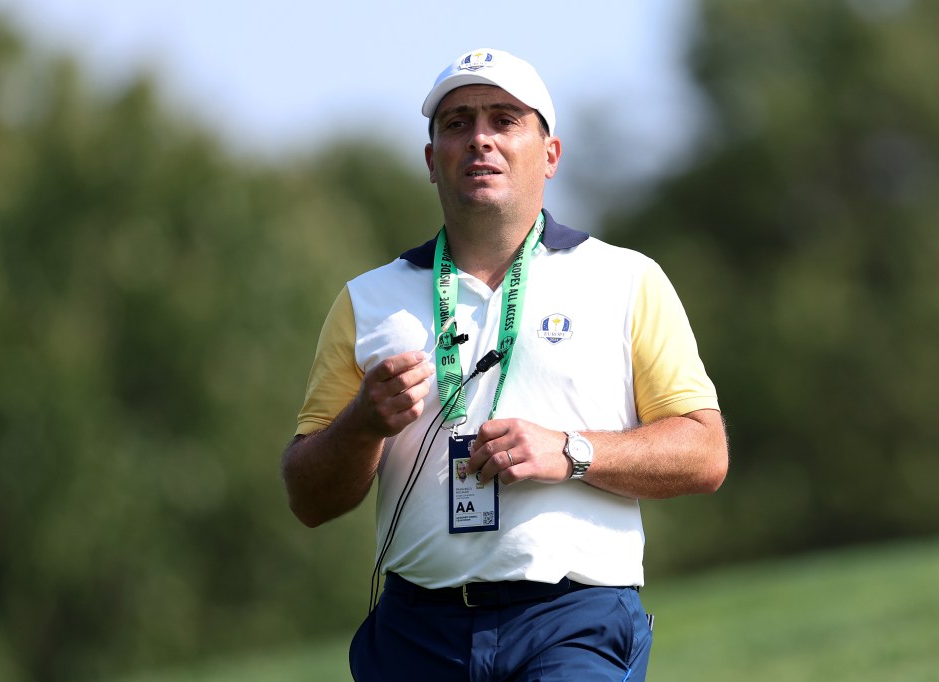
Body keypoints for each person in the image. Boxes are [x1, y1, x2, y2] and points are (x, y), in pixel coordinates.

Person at [282, 47, 728, 681]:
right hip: (417, 630)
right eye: (457, 123)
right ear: (432, 159)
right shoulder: (367, 300)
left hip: (573, 617)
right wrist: (362, 423)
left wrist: (571, 452)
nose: (479, 139)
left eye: (504, 119)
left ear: (550, 155)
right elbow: (308, 498)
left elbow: (705, 453)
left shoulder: (626, 279)